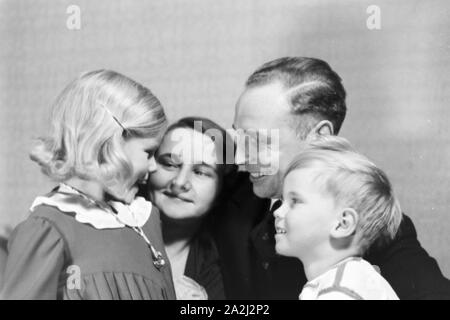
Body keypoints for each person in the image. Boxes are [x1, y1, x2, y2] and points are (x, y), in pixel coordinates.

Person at [213, 56, 450, 299]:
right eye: (238, 139)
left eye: (257, 141)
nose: (240, 158)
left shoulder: (372, 221)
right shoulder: (223, 194)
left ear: (321, 138)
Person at [1, 70, 176, 299]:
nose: (154, 167)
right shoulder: (48, 228)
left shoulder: (144, 219)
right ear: (111, 141)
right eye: (149, 152)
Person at [274, 135, 402, 300]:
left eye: (295, 201)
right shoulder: (352, 279)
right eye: (283, 200)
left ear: (342, 224)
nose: (277, 212)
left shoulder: (339, 292)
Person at [146, 117, 236, 300]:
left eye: (200, 172)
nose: (179, 182)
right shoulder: (109, 233)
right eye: (170, 165)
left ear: (221, 189)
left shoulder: (223, 267)